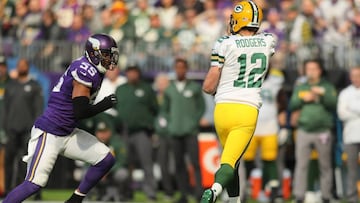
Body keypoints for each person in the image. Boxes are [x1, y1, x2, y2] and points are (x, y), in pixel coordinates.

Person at [2, 33, 119, 203]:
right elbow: (80, 111)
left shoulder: (92, 69)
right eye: (107, 54)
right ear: (94, 53)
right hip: (50, 132)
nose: (110, 59)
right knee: (34, 183)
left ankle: (75, 199)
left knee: (105, 159)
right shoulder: (85, 70)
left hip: (67, 132)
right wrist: (105, 104)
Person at [201, 1, 276, 202]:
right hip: (246, 110)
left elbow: (208, 87)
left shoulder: (224, 42)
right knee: (229, 162)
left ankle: (234, 201)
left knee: (232, 161)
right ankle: (214, 191)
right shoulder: (268, 40)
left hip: (223, 109)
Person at [289, 59, 337, 203]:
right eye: (308, 69)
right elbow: (292, 104)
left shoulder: (327, 86)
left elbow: (333, 103)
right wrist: (304, 99)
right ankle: (299, 196)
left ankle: (326, 196)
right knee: (301, 165)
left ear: (319, 70)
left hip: (323, 130)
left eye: (313, 69)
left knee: (325, 165)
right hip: (304, 130)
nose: (311, 72)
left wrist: (321, 95)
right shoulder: (301, 86)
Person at [162, 58, 205, 203]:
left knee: (195, 163)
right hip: (175, 132)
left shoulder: (194, 87)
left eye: (182, 67)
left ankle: (199, 193)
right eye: (177, 67)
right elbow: (165, 110)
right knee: (179, 165)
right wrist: (171, 123)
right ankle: (183, 194)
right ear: (175, 69)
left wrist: (194, 122)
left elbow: (201, 107)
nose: (180, 70)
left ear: (186, 69)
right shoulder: (169, 89)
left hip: (190, 132)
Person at [115, 65, 158, 201]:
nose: (132, 75)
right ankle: (126, 192)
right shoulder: (121, 89)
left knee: (147, 162)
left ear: (138, 74)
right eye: (129, 73)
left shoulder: (146, 89)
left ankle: (150, 191)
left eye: (134, 73)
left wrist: (150, 125)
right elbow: (116, 108)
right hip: (124, 131)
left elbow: (155, 108)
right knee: (126, 163)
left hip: (142, 131)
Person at [3, 58, 44, 196]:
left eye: (23, 65)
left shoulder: (34, 86)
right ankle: (8, 190)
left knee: (28, 162)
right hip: (12, 130)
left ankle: (32, 192)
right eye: (19, 65)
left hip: (28, 130)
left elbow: (38, 109)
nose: (21, 68)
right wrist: (5, 127)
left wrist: (36, 128)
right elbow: (5, 109)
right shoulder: (10, 86)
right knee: (8, 161)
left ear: (28, 67)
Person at [337, 66, 360, 203]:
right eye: (354, 75)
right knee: (351, 170)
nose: (356, 78)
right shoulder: (345, 93)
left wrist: (352, 108)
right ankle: (352, 198)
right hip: (350, 137)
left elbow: (348, 111)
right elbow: (342, 114)